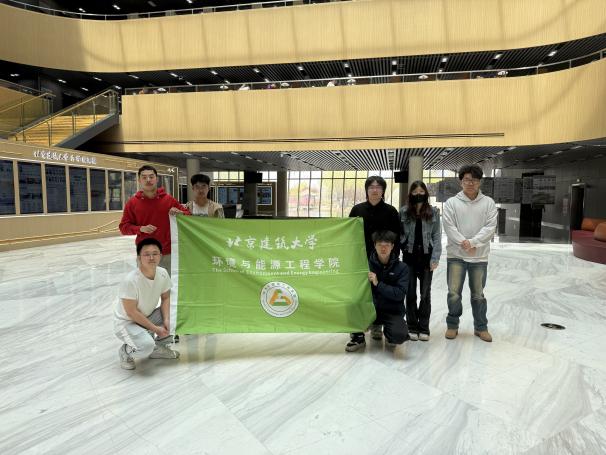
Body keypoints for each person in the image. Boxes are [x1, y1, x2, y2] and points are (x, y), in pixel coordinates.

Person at [442, 164, 497, 342]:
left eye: (474, 180)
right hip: (456, 256)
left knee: (478, 294)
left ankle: (481, 328)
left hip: (479, 257)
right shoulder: (452, 203)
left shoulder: (488, 203)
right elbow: (449, 226)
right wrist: (464, 243)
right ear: (461, 182)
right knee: (454, 293)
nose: (470, 183)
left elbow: (490, 227)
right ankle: (452, 326)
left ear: (480, 182)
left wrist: (472, 243)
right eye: (467, 179)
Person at [346, 176, 401, 351]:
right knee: (357, 296)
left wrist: (393, 260)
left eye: (378, 187)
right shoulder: (357, 209)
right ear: (366, 190)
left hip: (383, 261)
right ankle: (357, 334)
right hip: (360, 260)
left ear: (383, 190)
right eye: (371, 187)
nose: (375, 190)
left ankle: (378, 325)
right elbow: (348, 234)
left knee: (381, 293)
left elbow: (397, 237)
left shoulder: (391, 211)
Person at [114, 238, 179, 370]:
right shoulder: (130, 281)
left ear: (160, 255)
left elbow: (166, 298)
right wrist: (155, 329)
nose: (151, 257)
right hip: (126, 323)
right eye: (146, 254)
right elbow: (131, 312)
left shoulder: (162, 273)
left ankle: (156, 348)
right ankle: (126, 351)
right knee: (145, 346)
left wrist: (167, 319)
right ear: (139, 258)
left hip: (146, 317)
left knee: (177, 314)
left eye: (155, 253)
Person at [119, 165, 190, 274]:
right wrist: (140, 229)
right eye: (144, 177)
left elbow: (189, 216)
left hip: (166, 253)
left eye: (151, 177)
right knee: (145, 282)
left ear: (156, 179)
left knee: (165, 282)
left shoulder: (169, 200)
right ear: (139, 180)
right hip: (144, 253)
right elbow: (124, 228)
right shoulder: (132, 203)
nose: (148, 180)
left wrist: (180, 213)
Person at [346, 230, 409, 351]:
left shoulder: (402, 268)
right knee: (351, 303)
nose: (383, 248)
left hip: (392, 311)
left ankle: (389, 333)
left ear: (392, 246)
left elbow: (399, 294)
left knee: (399, 335)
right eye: (380, 245)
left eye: (387, 245)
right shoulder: (365, 266)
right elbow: (354, 288)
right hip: (371, 309)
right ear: (374, 245)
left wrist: (378, 284)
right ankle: (358, 337)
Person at [400, 180, 442, 341]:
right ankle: (412, 326)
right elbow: (399, 233)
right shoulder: (404, 212)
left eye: (421, 192)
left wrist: (435, 258)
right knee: (410, 294)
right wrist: (403, 243)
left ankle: (424, 327)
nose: (418, 194)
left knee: (425, 294)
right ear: (410, 194)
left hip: (426, 258)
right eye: (415, 192)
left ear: (426, 193)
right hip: (409, 259)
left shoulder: (433, 212)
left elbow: (436, 236)